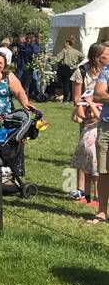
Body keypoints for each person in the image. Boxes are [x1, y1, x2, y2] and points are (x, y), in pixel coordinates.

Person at [69, 43, 109, 206]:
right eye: (107, 54)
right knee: (85, 152)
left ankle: (98, 194)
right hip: (88, 116)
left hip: (103, 113)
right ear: (97, 57)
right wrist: (86, 106)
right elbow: (77, 97)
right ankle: (81, 190)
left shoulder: (106, 71)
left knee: (98, 156)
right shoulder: (82, 71)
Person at [87, 54, 109, 224]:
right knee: (104, 170)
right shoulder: (107, 71)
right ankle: (102, 211)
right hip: (106, 126)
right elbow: (98, 95)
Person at [52, 33, 83, 103]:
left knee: (65, 85)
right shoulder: (76, 51)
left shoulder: (64, 50)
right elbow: (83, 56)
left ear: (67, 43)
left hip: (65, 69)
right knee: (71, 85)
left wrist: (49, 57)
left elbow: (57, 59)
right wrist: (77, 62)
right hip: (73, 69)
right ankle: (71, 98)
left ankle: (66, 99)